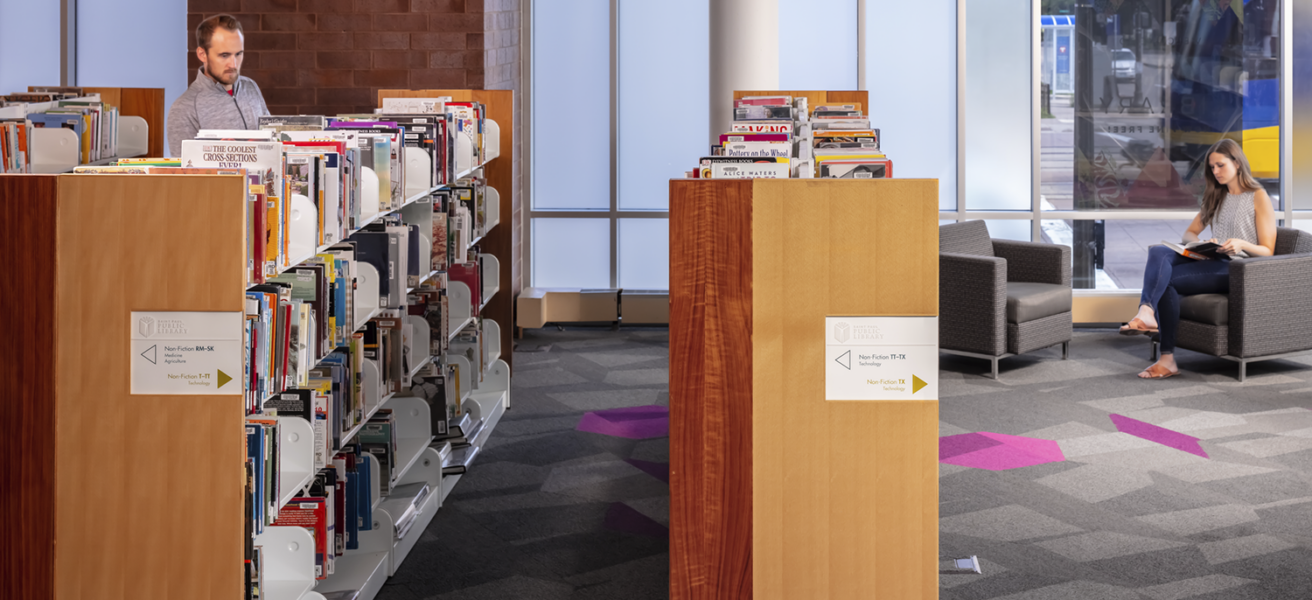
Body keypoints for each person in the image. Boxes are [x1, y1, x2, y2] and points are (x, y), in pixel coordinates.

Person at [1119, 139, 1276, 379]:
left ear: (1237, 162)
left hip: (1238, 268)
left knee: (1168, 281)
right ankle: (1146, 311)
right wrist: (1203, 245)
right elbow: (1189, 232)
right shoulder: (1216, 195)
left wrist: (1240, 243)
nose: (1216, 172)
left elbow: (1268, 250)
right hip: (1212, 259)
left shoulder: (1258, 196)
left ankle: (1167, 358)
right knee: (1158, 251)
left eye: (1220, 165)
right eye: (1212, 168)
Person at [167, 14, 269, 156]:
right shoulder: (184, 108)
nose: (233, 64)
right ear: (202, 54)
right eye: (224, 55)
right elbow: (187, 174)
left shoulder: (250, 87)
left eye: (238, 54)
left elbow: (272, 141)